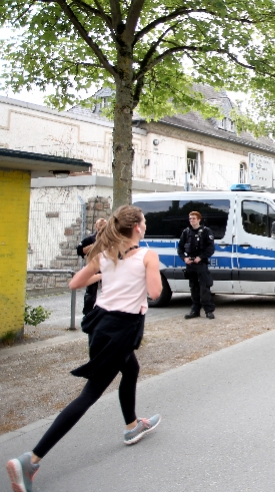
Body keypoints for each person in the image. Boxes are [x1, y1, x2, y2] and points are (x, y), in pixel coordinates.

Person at [6, 205, 162, 492]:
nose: (145, 224)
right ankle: (31, 460)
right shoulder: (147, 256)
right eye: (144, 221)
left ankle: (131, 426)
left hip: (100, 325)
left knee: (132, 368)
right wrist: (145, 272)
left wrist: (105, 274)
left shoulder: (106, 254)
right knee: (90, 393)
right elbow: (155, 293)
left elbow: (74, 283)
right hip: (121, 329)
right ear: (137, 228)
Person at [178, 211, 216, 319]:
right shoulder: (186, 232)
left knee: (204, 288)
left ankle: (208, 310)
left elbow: (211, 248)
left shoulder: (206, 231)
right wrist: (184, 258)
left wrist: (201, 257)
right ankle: (195, 310)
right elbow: (180, 248)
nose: (191, 220)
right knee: (193, 288)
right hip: (190, 265)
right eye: (190, 218)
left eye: (193, 218)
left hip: (201, 264)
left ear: (199, 219)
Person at [76, 218, 107, 315]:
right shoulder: (90, 239)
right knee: (90, 293)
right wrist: (94, 245)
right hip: (93, 268)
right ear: (96, 226)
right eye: (100, 225)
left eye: (104, 225)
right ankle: (88, 314)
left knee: (108, 291)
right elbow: (79, 250)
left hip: (106, 269)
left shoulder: (111, 239)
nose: (102, 227)